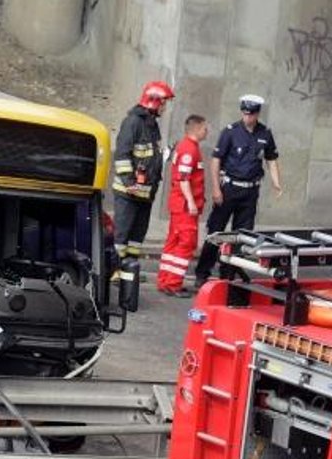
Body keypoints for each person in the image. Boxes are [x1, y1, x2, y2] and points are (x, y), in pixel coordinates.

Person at [193, 94, 282, 288]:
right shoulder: (230, 132)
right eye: (244, 113)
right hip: (230, 189)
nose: (247, 117)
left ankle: (228, 274)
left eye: (251, 114)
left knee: (241, 236)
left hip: (250, 192)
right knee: (215, 232)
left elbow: (271, 158)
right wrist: (216, 188)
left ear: (257, 114)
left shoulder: (265, 133)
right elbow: (216, 160)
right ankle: (202, 273)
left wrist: (276, 182)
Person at [112, 80, 175, 264]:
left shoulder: (152, 125)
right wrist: (129, 182)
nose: (165, 108)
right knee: (121, 235)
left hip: (145, 194)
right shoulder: (132, 123)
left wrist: (166, 155)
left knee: (136, 238)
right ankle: (114, 269)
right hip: (128, 193)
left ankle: (130, 268)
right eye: (163, 103)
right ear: (154, 101)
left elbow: (150, 156)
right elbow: (122, 155)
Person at [156, 115, 209, 297]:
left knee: (173, 242)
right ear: (196, 129)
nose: (207, 131)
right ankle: (173, 283)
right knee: (186, 243)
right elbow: (184, 179)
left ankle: (165, 280)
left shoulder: (186, 146)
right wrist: (192, 203)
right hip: (185, 207)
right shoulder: (190, 149)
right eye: (204, 128)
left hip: (179, 205)